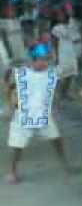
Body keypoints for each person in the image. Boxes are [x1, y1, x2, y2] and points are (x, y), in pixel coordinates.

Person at [5, 39, 70, 184]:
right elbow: (9, 86)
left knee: (56, 139)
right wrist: (10, 106)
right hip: (23, 116)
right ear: (33, 60)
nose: (44, 63)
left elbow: (55, 88)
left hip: (43, 114)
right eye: (41, 60)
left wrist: (56, 103)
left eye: (46, 60)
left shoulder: (51, 73)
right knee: (17, 146)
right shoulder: (21, 73)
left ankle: (65, 163)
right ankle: (13, 171)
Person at [51, 7, 79, 99]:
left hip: (71, 51)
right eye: (58, 15)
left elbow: (76, 39)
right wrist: (56, 55)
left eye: (62, 14)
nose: (60, 17)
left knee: (71, 73)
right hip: (61, 52)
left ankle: (65, 92)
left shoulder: (72, 26)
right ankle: (57, 93)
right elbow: (54, 42)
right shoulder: (56, 28)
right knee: (61, 74)